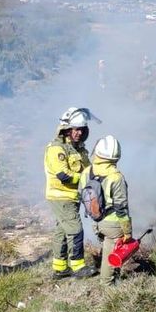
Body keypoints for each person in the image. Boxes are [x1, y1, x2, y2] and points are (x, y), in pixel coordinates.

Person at [44, 107, 96, 278]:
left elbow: (89, 170)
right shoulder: (56, 149)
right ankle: (78, 267)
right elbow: (64, 175)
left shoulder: (78, 149)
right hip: (61, 197)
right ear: (66, 129)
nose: (78, 133)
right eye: (75, 129)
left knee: (62, 231)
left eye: (81, 129)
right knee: (76, 229)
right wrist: (84, 178)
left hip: (72, 197)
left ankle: (60, 268)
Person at [86, 135, 131, 281]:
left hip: (95, 221)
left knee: (108, 249)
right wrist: (127, 232)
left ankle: (114, 280)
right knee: (111, 258)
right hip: (113, 225)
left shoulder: (87, 171)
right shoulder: (116, 177)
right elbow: (121, 208)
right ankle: (107, 285)